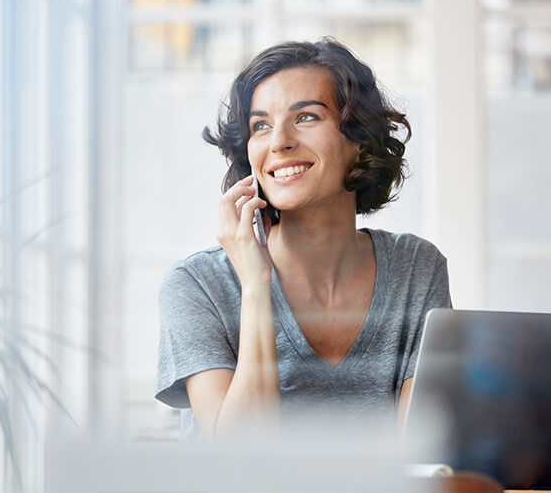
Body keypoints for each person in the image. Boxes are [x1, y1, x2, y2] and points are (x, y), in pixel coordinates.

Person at [154, 38, 452, 440]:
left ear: (360, 141)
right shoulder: (197, 285)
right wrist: (257, 286)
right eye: (261, 125)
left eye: (306, 117)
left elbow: (419, 458)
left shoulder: (415, 268)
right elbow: (237, 460)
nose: (278, 142)